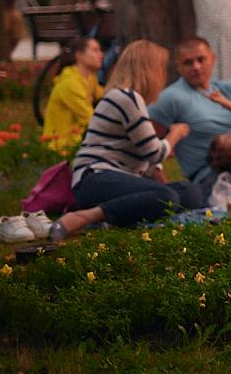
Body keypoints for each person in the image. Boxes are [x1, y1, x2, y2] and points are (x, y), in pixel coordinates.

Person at [49, 41, 202, 240]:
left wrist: (158, 181)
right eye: (161, 69)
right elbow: (154, 153)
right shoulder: (126, 98)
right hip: (96, 177)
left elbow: (146, 159)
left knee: (191, 192)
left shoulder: (131, 99)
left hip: (120, 179)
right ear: (149, 71)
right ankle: (85, 217)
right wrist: (175, 134)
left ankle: (117, 216)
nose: (163, 77)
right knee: (167, 198)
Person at [41, 36, 105, 154]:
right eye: (95, 50)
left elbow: (104, 95)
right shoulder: (71, 83)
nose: (101, 55)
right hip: (62, 148)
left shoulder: (89, 77)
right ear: (79, 55)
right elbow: (90, 120)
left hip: (76, 143)